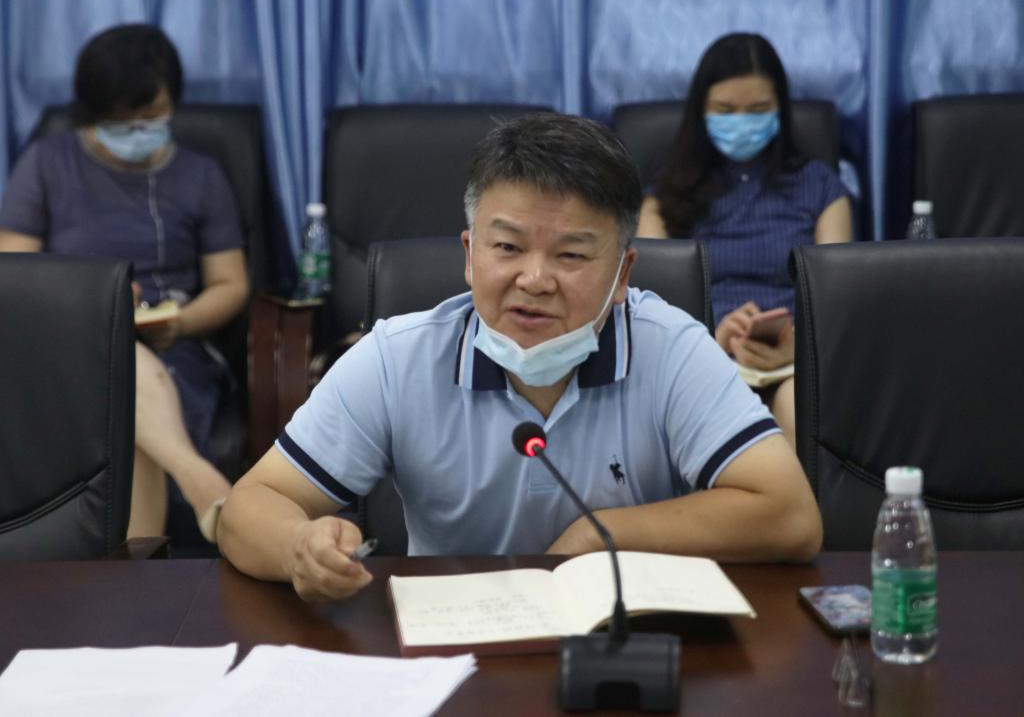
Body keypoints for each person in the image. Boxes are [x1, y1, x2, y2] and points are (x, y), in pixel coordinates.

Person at [218, 113, 822, 602]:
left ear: (622, 273)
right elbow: (247, 508)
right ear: (469, 254)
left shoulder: (671, 348)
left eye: (571, 255)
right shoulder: (396, 359)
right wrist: (298, 547)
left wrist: (599, 537)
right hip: (453, 646)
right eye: (507, 247)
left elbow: (789, 517)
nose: (533, 280)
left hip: (622, 645)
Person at [0, 24, 247, 540]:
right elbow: (14, 271)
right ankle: (199, 481)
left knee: (120, 401)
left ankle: (133, 570)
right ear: (93, 112)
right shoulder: (46, 164)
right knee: (113, 359)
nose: (138, 129)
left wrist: (178, 323)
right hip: (65, 345)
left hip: (176, 350)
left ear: (173, 103)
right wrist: (94, 305)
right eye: (122, 119)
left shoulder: (201, 176)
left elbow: (230, 283)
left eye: (151, 115)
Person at [637, 33, 853, 449]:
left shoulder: (822, 189)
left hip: (795, 361)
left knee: (798, 407)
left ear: (780, 109)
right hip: (697, 358)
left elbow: (837, 301)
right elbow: (651, 307)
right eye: (725, 111)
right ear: (700, 110)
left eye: (757, 110)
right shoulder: (662, 197)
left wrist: (800, 348)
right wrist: (711, 338)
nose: (742, 122)